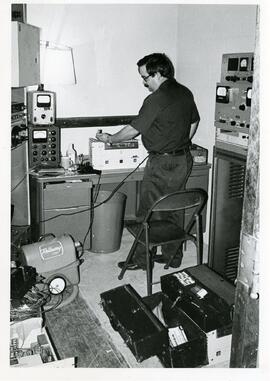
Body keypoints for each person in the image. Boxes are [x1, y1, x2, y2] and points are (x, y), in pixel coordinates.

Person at [96, 53, 200, 271]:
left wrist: (110, 139)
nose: (144, 83)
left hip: (161, 164)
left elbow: (133, 130)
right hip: (182, 159)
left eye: (145, 78)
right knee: (174, 208)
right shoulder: (184, 92)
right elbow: (194, 121)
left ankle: (142, 260)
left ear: (158, 73)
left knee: (147, 213)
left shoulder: (156, 99)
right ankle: (173, 257)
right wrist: (181, 142)